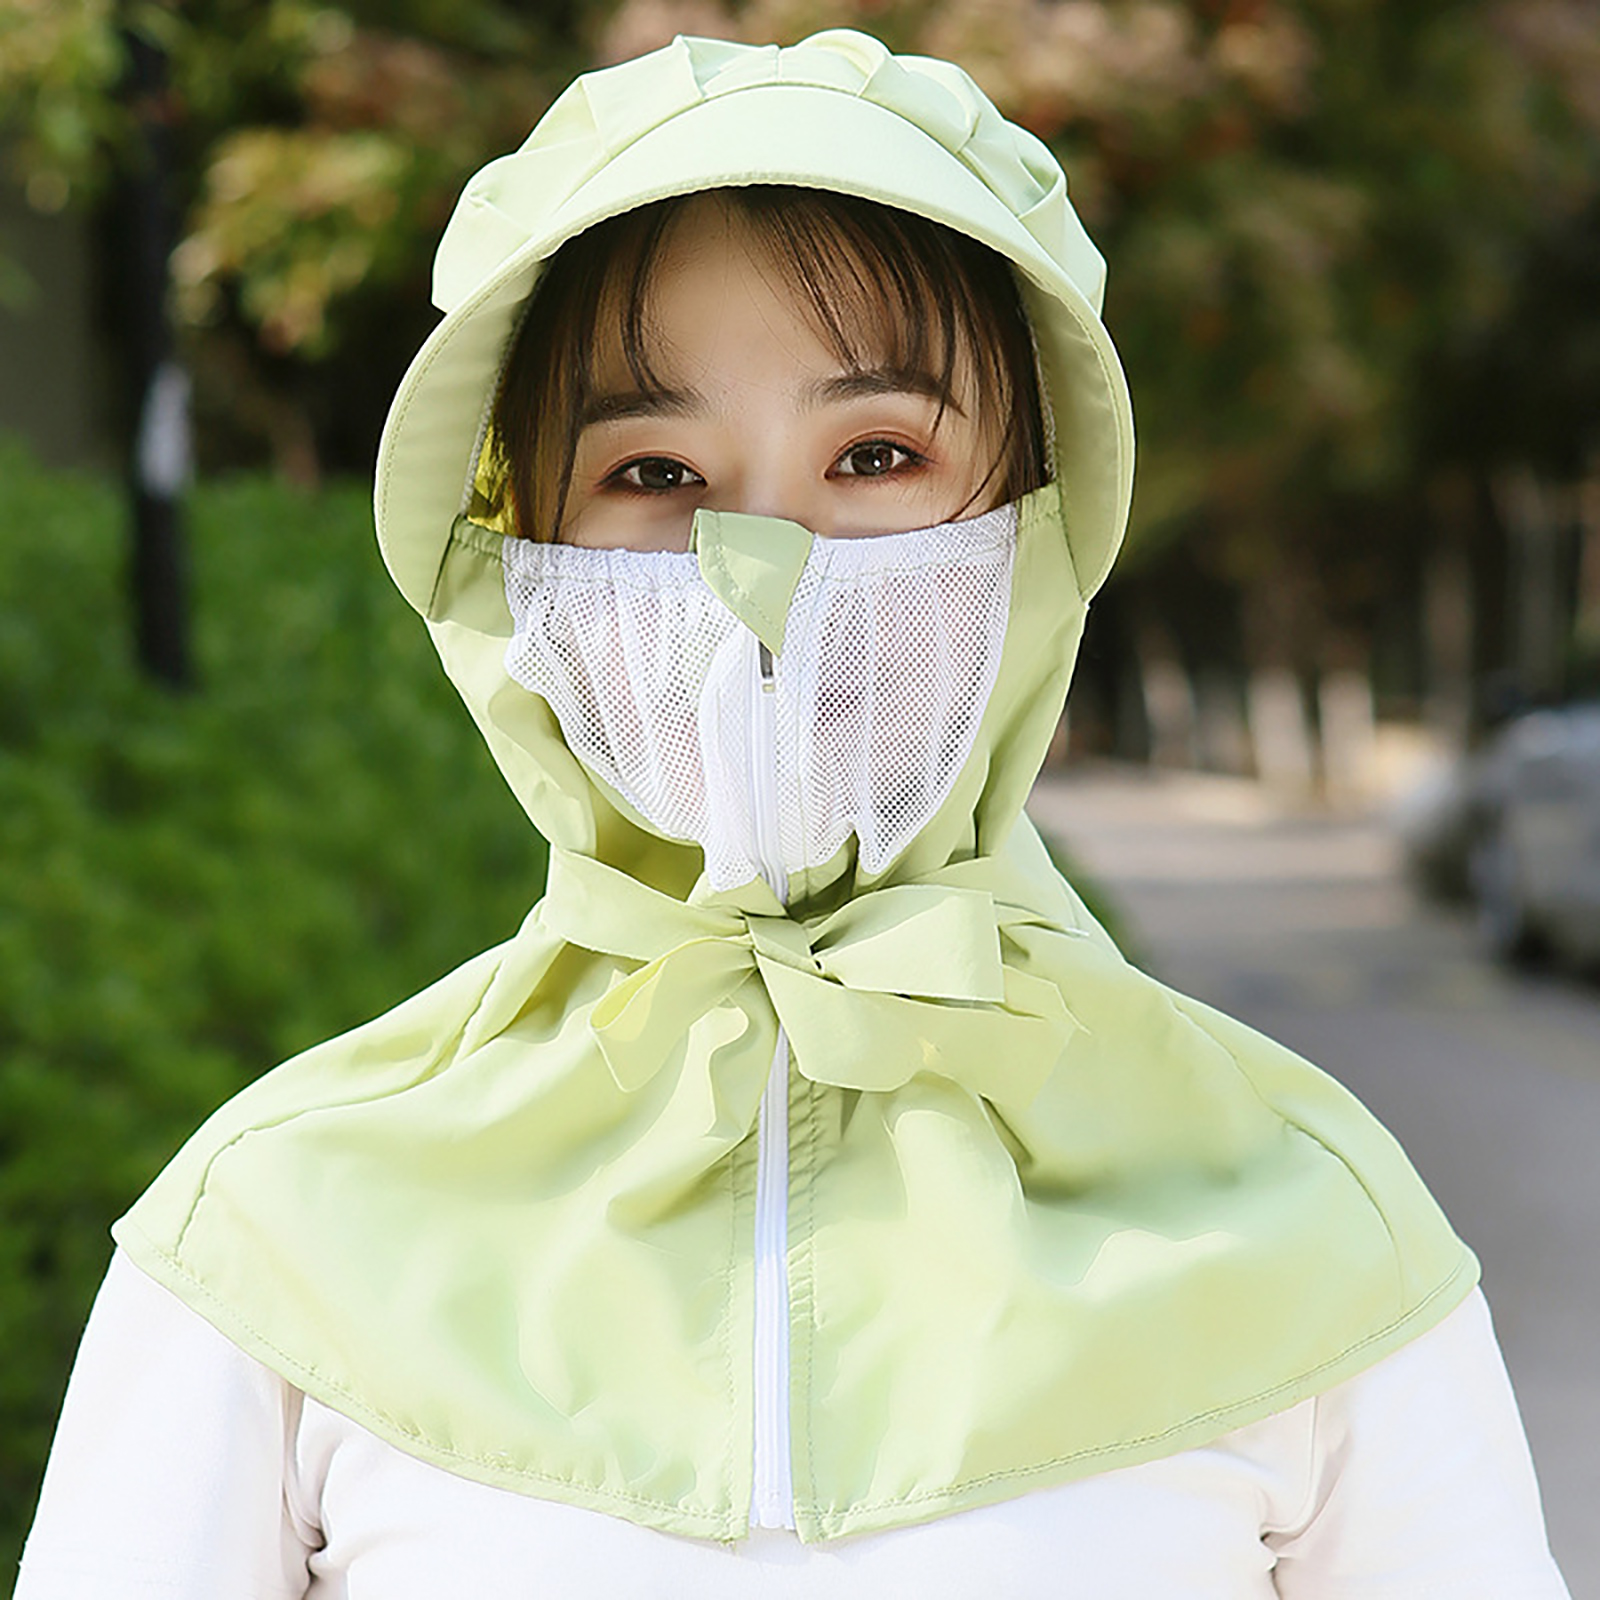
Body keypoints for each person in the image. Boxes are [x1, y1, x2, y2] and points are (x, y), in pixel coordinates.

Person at [16, 29, 1570, 1598]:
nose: (763, 565)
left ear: (1036, 532)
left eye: (877, 454)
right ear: (511, 555)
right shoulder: (277, 1230)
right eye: (653, 471)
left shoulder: (1314, 1221)